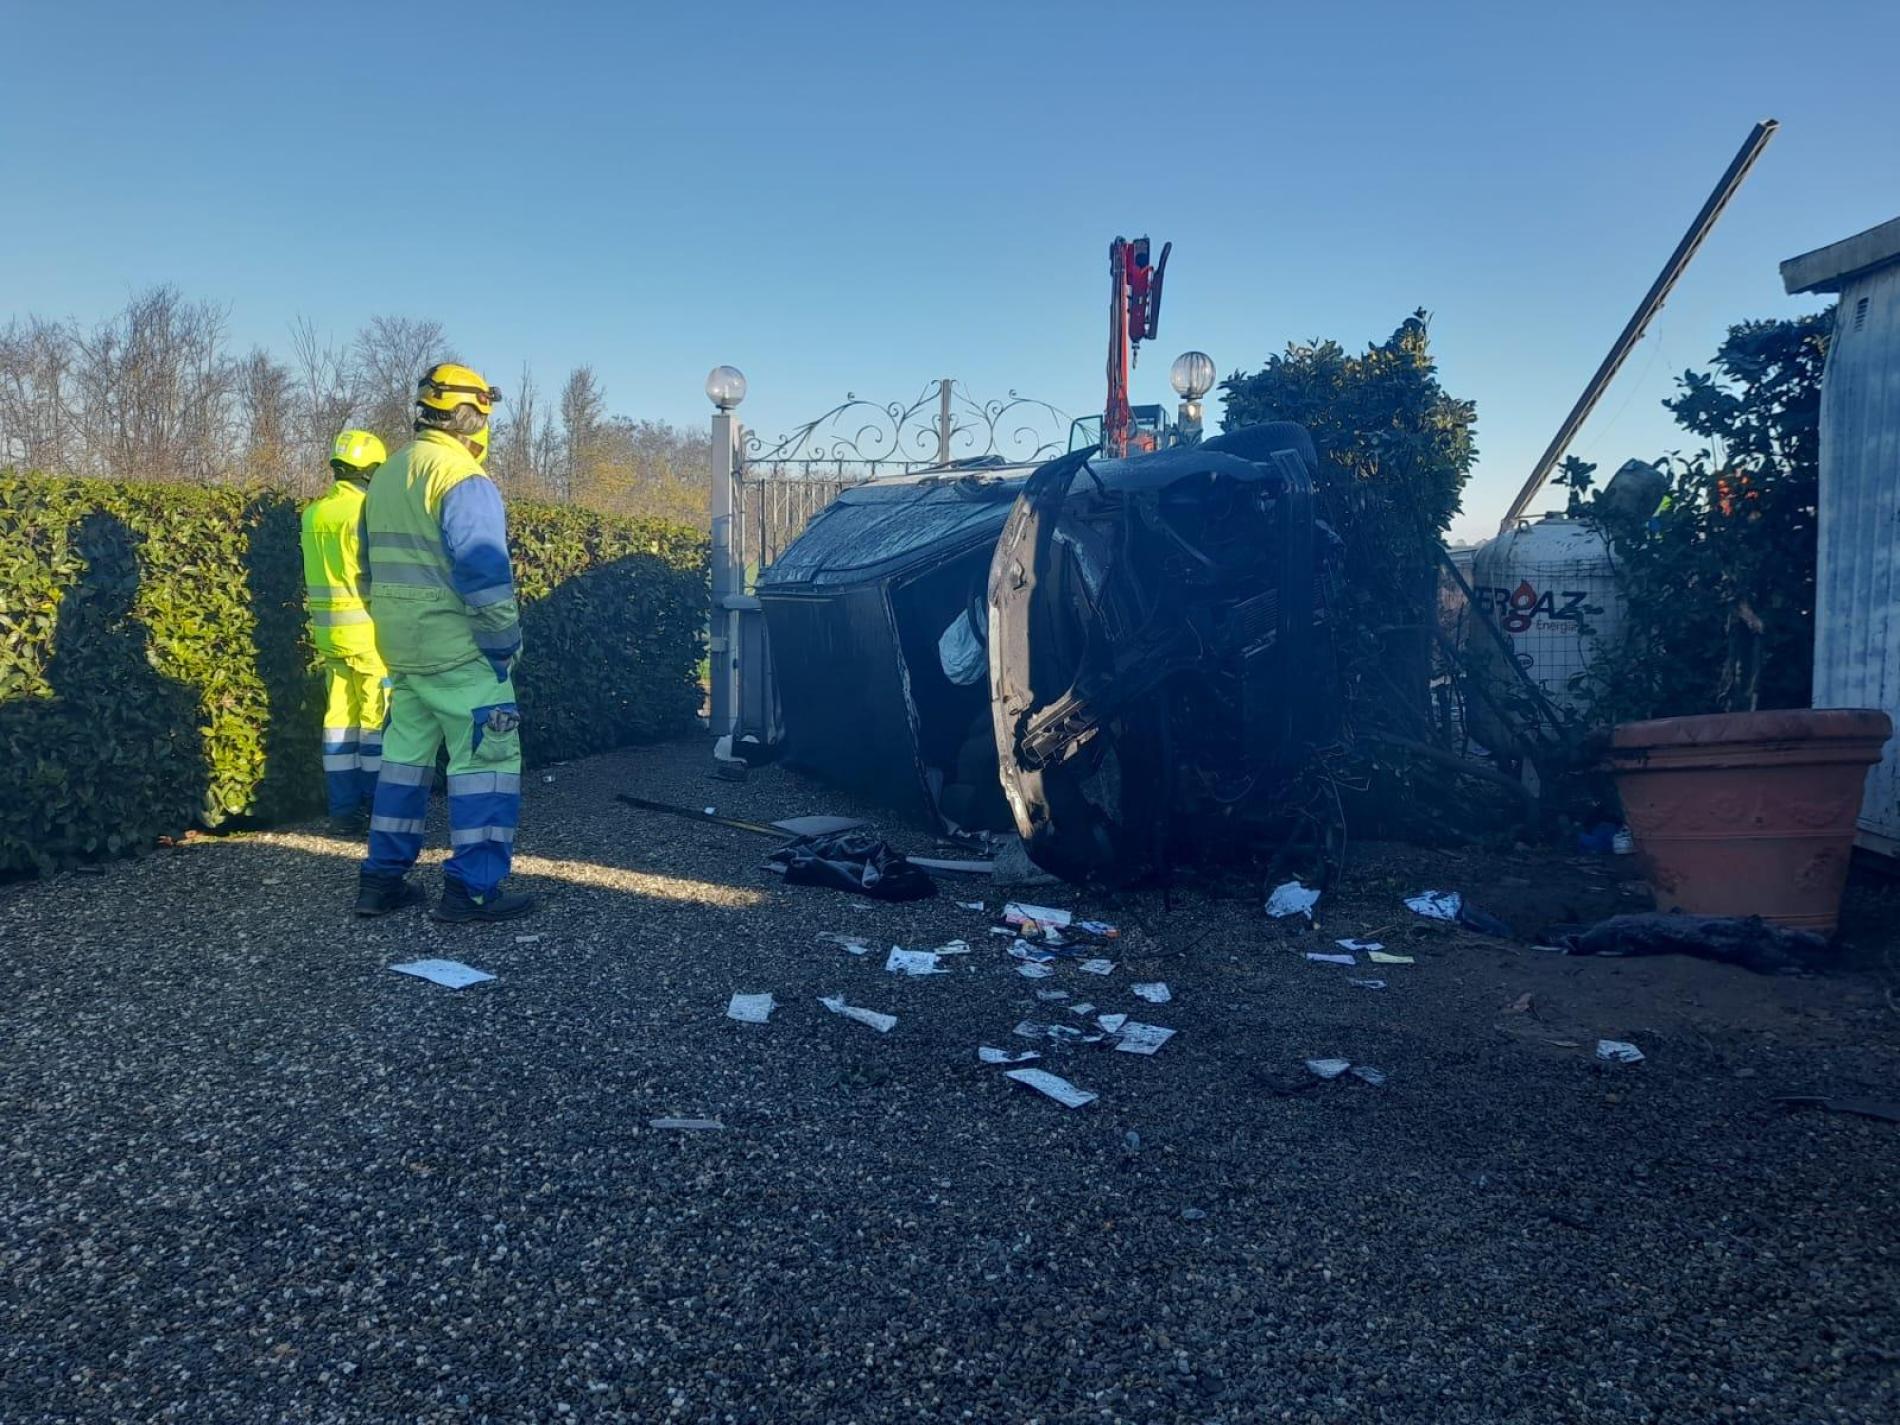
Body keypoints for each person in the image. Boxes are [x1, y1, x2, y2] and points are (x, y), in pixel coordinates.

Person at [354, 363, 535, 922]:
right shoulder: (461, 478)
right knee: (488, 763)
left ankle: (381, 882)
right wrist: (504, 645)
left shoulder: (386, 475)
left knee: (403, 763)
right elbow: (484, 574)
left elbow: (367, 569)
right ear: (475, 415)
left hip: (403, 651)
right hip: (462, 653)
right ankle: (473, 890)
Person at [300, 429, 388, 831]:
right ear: (371, 470)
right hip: (368, 635)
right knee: (375, 720)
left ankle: (341, 812)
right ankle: (376, 806)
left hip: (328, 634)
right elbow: (376, 577)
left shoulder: (314, 513)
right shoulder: (367, 512)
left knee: (338, 719)